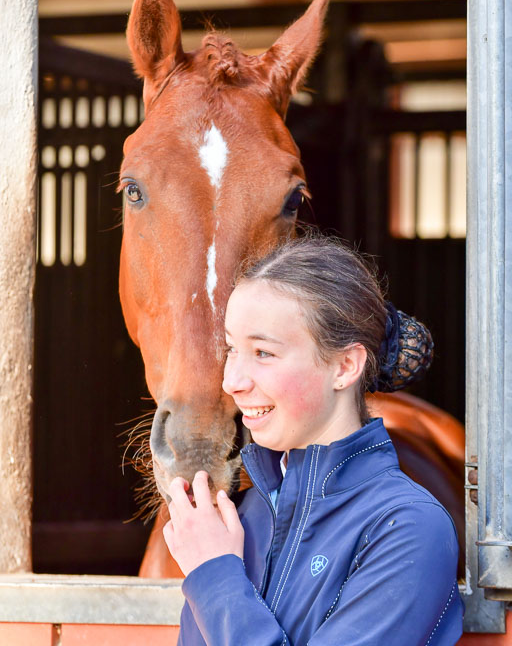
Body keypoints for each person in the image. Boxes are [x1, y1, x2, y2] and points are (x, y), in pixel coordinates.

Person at [163, 236, 464, 645]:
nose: (231, 382)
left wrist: (216, 575)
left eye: (263, 353)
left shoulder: (408, 529)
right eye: (232, 349)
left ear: (345, 366)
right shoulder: (238, 521)